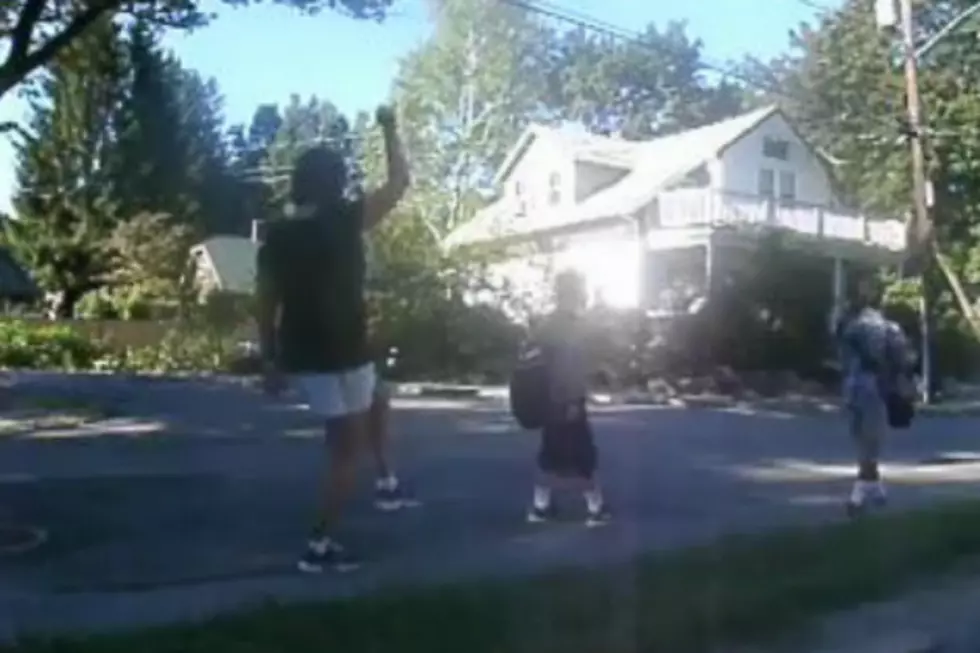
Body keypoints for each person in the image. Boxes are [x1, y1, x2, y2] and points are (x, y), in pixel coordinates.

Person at [256, 105, 409, 573]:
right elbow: (399, 183)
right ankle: (319, 548)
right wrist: (389, 128)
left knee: (377, 397)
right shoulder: (344, 219)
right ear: (336, 182)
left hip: (309, 353)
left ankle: (386, 480)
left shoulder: (277, 237)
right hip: (342, 352)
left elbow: (265, 303)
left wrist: (270, 358)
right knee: (347, 453)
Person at [526, 270, 611, 527]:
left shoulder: (545, 325)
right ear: (575, 292)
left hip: (547, 400)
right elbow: (569, 368)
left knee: (550, 456)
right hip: (567, 400)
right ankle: (596, 510)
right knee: (582, 456)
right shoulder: (572, 327)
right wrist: (573, 400)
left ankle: (541, 507)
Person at [834, 275, 913, 516]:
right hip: (876, 387)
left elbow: (840, 348)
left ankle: (876, 492)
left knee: (861, 440)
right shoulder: (889, 329)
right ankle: (858, 497)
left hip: (851, 387)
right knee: (872, 441)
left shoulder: (848, 324)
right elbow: (903, 360)